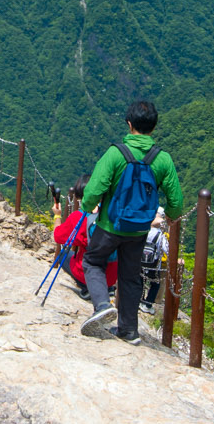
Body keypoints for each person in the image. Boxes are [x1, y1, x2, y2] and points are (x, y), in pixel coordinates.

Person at [76, 101, 184, 342]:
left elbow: (95, 188)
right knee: (131, 276)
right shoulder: (162, 159)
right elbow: (176, 200)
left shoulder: (116, 153)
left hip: (110, 225)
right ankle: (128, 330)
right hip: (139, 229)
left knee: (93, 262)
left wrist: (85, 208)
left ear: (129, 124)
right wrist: (171, 217)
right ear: (153, 127)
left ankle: (102, 305)